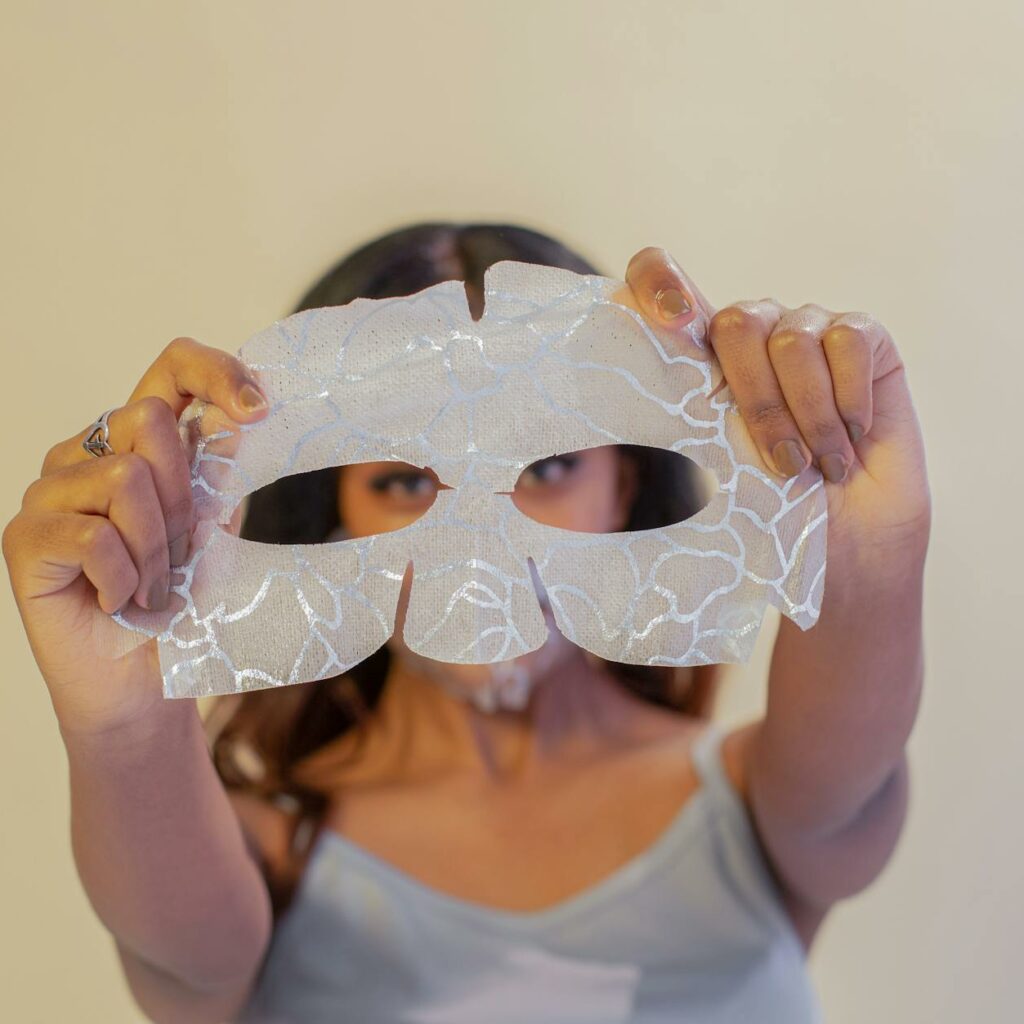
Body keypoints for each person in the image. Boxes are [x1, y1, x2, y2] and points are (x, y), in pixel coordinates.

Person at [2, 222, 931, 1023]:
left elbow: (845, 792)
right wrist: (120, 706)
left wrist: (865, 544)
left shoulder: (757, 811)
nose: (482, 540)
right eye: (404, 481)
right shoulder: (259, 854)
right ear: (333, 513)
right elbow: (180, 954)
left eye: (551, 462)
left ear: (629, 480)